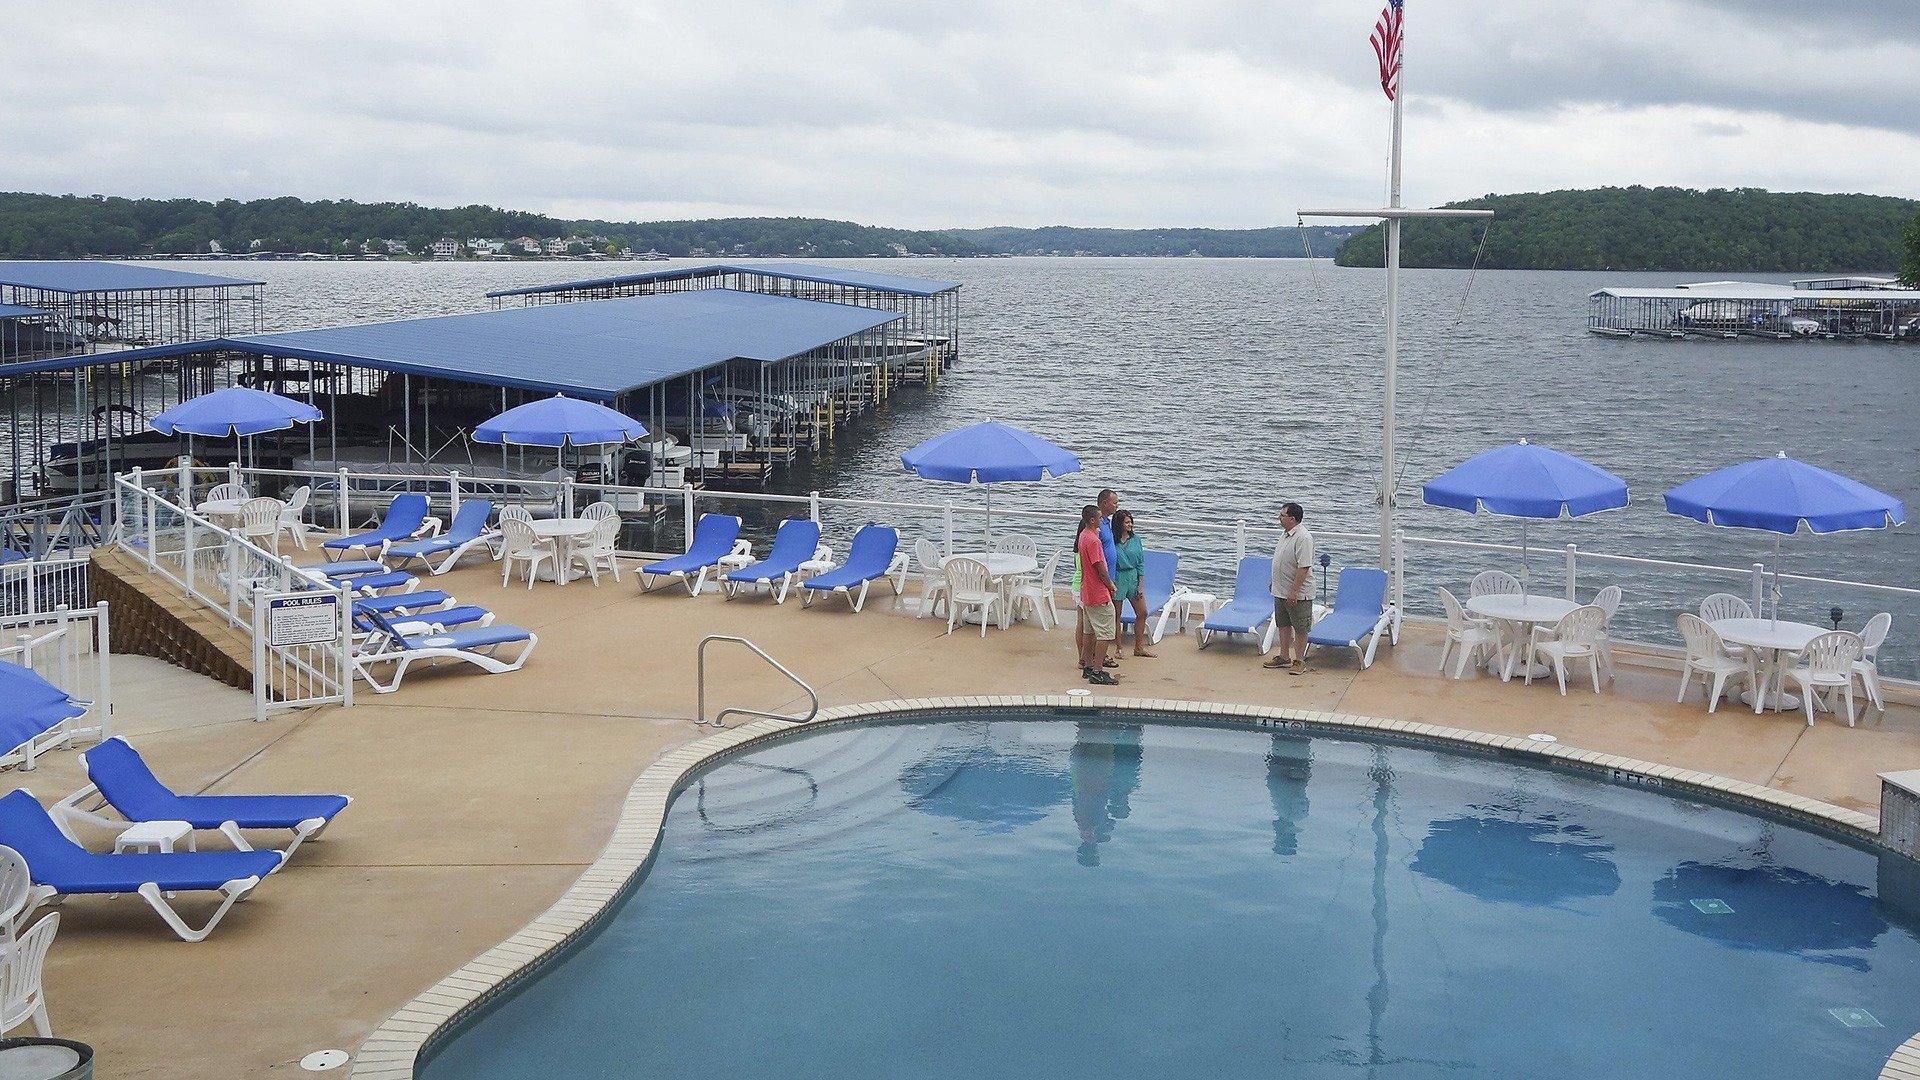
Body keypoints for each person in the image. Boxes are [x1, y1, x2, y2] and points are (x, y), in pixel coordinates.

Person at [1264, 501, 1316, 674]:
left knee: (1300, 627)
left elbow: (1304, 567)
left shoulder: (1303, 538)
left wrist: (1294, 591)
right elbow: (1281, 560)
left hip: (1298, 593)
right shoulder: (1285, 534)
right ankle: (1284, 656)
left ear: (1292, 519)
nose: (1279, 518)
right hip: (1280, 590)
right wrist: (1275, 581)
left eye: (1282, 515)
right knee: (1283, 624)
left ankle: (1299, 660)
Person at [1074, 504, 1119, 685]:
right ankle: (1098, 671)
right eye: (1100, 518)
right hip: (1097, 593)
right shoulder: (1093, 541)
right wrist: (1110, 585)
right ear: (1093, 520)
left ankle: (1088, 666)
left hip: (1087, 591)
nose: (1102, 521)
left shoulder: (1083, 536)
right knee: (1106, 633)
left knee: (1089, 631)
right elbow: (1099, 567)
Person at [1111, 509, 1154, 658]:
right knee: (1117, 614)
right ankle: (1118, 648)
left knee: (1142, 612)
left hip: (1132, 577)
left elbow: (1141, 562)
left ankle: (1138, 647)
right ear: (1119, 524)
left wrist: (1140, 584)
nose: (1130, 524)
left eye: (1131, 522)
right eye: (1127, 522)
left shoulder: (1136, 539)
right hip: (1118, 577)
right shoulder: (1112, 540)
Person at [1097, 489, 1123, 666]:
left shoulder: (1107, 522)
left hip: (1110, 578)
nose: (1117, 505)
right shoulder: (1096, 523)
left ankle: (1098, 655)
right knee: (1102, 621)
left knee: (1106, 619)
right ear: (1105, 503)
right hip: (1102, 580)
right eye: (1114, 502)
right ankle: (1098, 658)